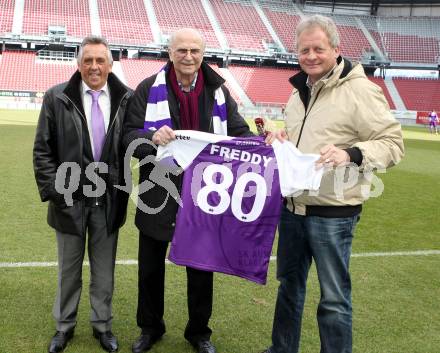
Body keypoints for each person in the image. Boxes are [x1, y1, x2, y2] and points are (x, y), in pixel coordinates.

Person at [262, 15, 404, 353]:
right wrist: (282, 138)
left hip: (334, 214)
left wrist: (351, 153)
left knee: (334, 298)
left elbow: (394, 144)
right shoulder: (298, 94)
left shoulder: (361, 91)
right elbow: (302, 143)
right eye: (304, 50)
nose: (310, 56)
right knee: (289, 290)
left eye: (318, 49)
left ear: (336, 50)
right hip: (293, 210)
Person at [123, 28, 253, 353]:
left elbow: (238, 133)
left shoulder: (219, 92)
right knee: (150, 268)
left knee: (201, 268)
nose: (188, 56)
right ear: (170, 53)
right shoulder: (147, 88)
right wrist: (150, 138)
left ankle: (199, 333)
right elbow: (127, 135)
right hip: (159, 190)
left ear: (202, 54)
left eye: (195, 50)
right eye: (181, 50)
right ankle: (150, 328)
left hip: (204, 193)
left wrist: (261, 143)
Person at [33, 36, 132, 353]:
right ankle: (64, 327)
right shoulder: (56, 97)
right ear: (78, 64)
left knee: (104, 272)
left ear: (110, 64)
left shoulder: (126, 99)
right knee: (68, 271)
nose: (94, 66)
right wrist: (58, 193)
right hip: (70, 200)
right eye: (87, 60)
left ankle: (102, 326)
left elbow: (137, 144)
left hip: (108, 201)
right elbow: (42, 151)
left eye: (100, 60)